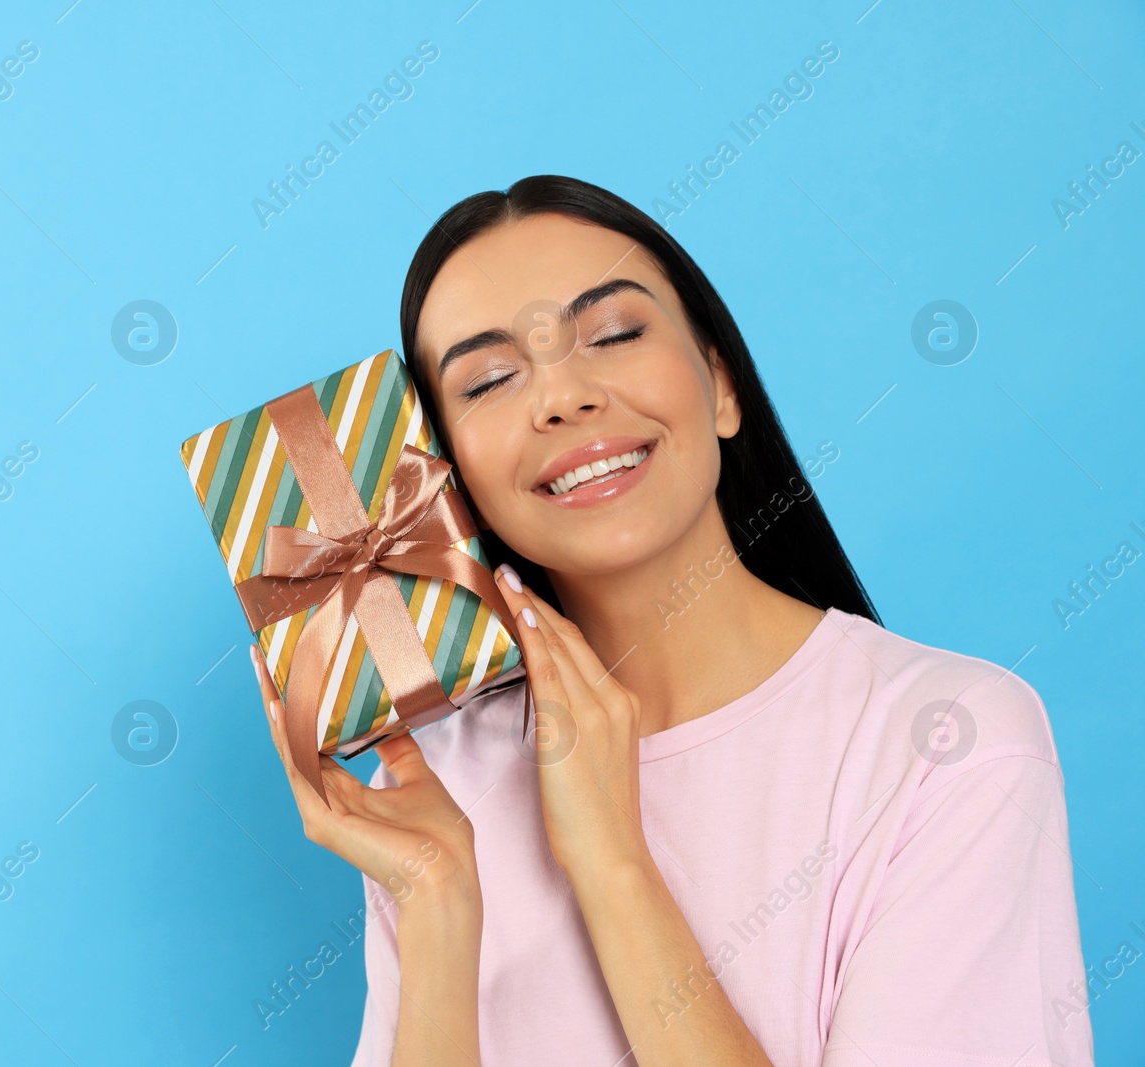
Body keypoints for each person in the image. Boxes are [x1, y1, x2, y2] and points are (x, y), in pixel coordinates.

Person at [248, 175, 1092, 1067]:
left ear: (720, 383)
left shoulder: (948, 740)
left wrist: (614, 864)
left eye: (613, 334)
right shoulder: (440, 787)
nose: (563, 397)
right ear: (455, 485)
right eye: (490, 380)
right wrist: (437, 910)